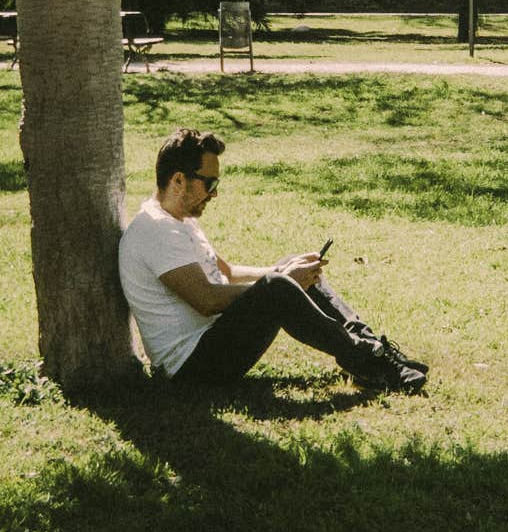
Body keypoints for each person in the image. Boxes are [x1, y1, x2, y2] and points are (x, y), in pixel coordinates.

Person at [118, 128, 427, 393]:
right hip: (192, 368)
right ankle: (368, 362)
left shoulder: (179, 220)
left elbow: (225, 272)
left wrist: (284, 271)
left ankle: (374, 349)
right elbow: (207, 299)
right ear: (178, 180)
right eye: (209, 184)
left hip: (211, 343)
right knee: (280, 284)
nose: (214, 195)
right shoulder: (155, 230)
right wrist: (283, 281)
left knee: (292, 268)